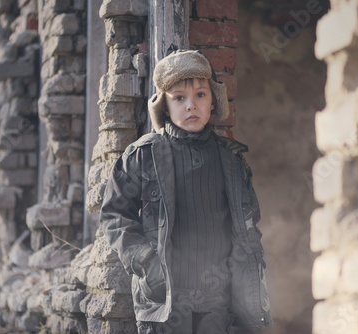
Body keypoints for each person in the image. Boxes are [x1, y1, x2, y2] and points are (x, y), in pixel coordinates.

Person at [100, 49, 272, 334]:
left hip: (219, 300)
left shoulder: (230, 160)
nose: (191, 105)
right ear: (165, 106)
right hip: (165, 297)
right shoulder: (145, 155)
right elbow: (115, 215)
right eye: (179, 98)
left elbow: (248, 224)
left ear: (213, 100)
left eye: (200, 95)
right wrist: (147, 264)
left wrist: (244, 282)